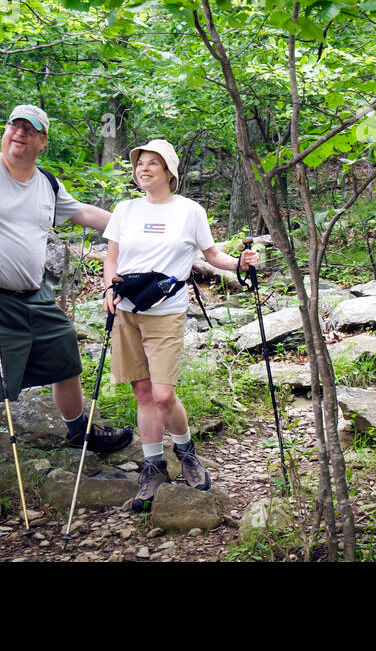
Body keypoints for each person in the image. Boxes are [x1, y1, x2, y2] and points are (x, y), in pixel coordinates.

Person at [0, 105, 133, 525]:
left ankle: (78, 429)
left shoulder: (46, 185)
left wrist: (142, 222)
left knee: (64, 353)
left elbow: (87, 214)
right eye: (14, 125)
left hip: (35, 295)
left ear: (41, 141)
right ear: (6, 133)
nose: (19, 133)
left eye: (30, 129)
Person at [103, 138, 258, 512]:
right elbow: (112, 257)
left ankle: (186, 452)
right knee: (141, 394)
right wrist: (108, 289)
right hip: (126, 310)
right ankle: (154, 466)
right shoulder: (124, 209)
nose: (144, 169)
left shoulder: (190, 211)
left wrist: (240, 263)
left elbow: (212, 255)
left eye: (153, 164)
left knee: (162, 394)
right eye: (140, 163)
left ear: (169, 172)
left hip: (167, 311)